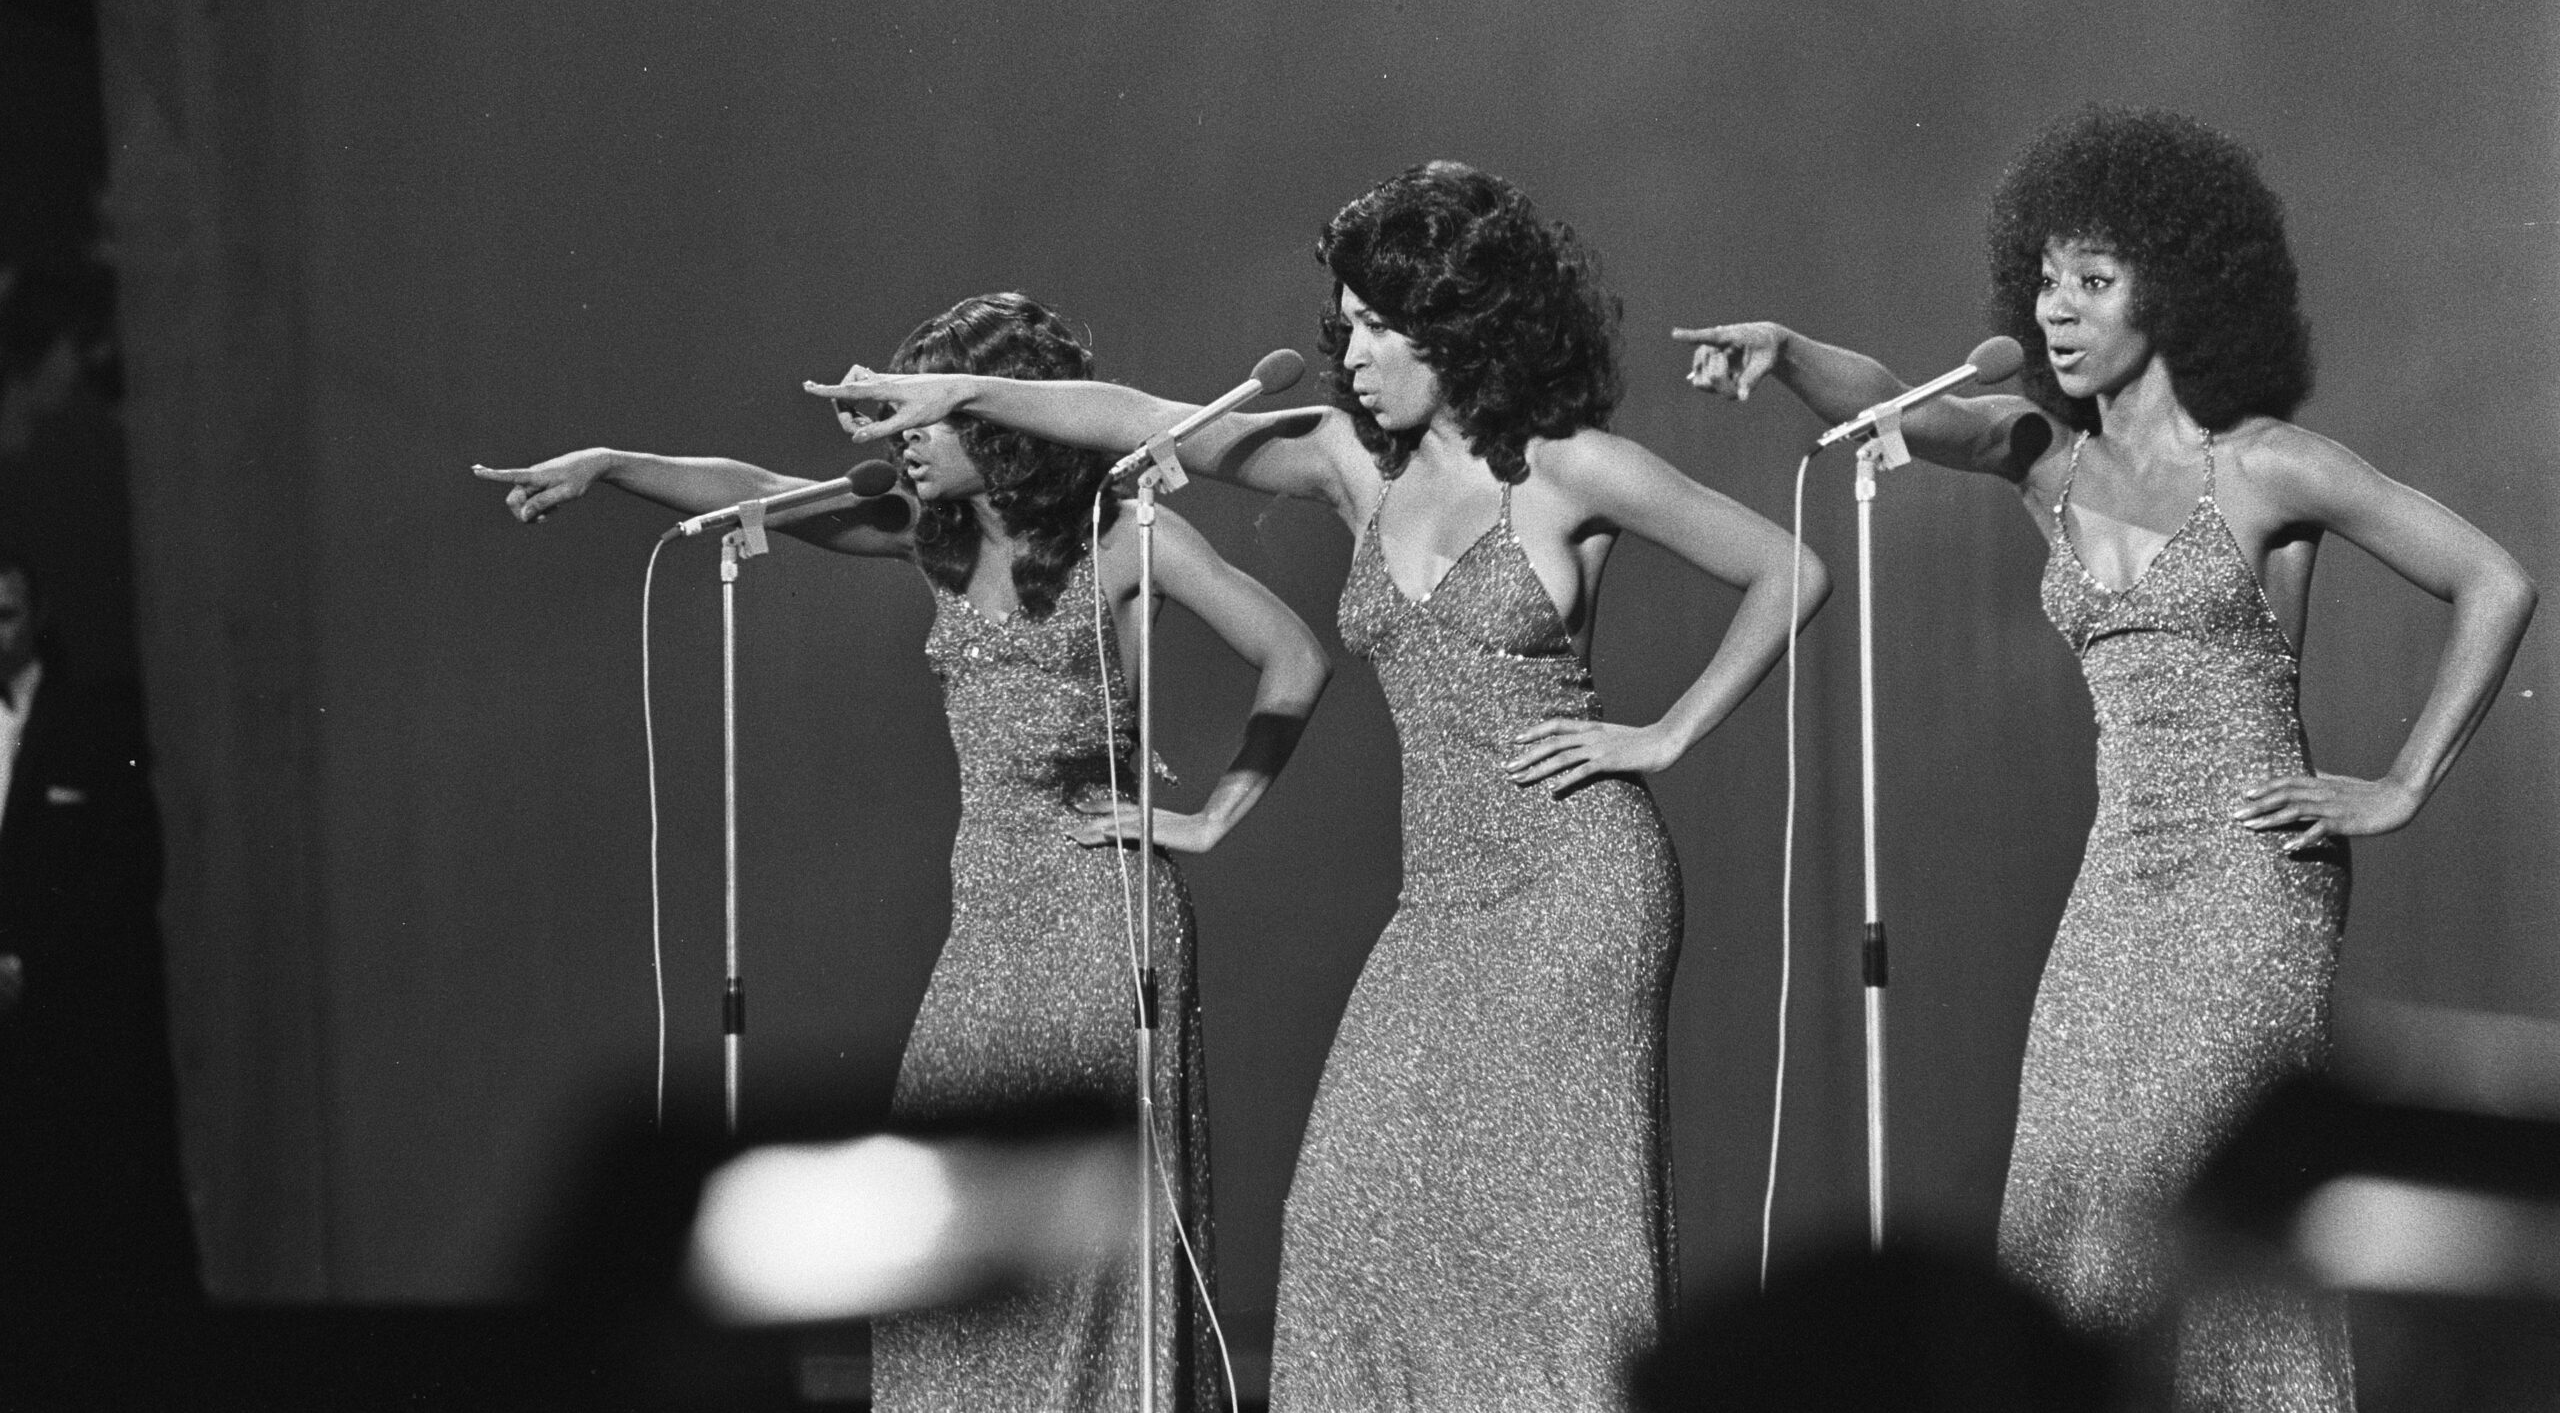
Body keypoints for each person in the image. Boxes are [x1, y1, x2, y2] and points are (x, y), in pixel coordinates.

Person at [811, 162, 1829, 1410]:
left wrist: (1662, 735)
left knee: (1551, 1236)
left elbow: (1787, 570)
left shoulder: (1572, 468)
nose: (1349, 353)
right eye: (1342, 322)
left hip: (1578, 887)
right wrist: (966, 391)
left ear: (1460, 327)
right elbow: (1145, 416)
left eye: (1377, 326)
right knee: (1349, 1212)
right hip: (1440, 900)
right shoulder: (1356, 465)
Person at [1678, 106, 2538, 1411]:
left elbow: (2494, 580)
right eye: (2046, 279)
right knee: (2076, 1183)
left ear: (2172, 289)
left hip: (2251, 883)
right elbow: (1897, 404)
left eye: (2093, 280)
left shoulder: (2266, 466)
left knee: (2218, 1198)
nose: (2057, 308)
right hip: (2117, 879)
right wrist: (1790, 352)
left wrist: (2402, 781)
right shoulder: (2046, 462)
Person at [476, 292, 1332, 1413]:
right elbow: (763, 492)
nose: (900, 441)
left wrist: (1211, 816)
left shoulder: (1125, 538)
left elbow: (1293, 655)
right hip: (985, 927)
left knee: (1078, 1232)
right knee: (942, 1220)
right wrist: (611, 464)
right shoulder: (933, 541)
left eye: (919, 419)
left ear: (999, 425)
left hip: (1099, 922)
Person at [0, 549, 202, 1346]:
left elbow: (127, 870)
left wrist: (29, 964)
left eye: (5, 614)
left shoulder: (92, 723)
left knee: (87, 1236)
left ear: (38, 617)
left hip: (72, 1031)